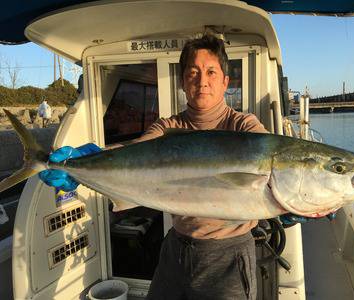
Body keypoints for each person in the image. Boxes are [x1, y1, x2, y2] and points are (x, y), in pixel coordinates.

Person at [39, 35, 334, 299]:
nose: (201, 81)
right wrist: (81, 161)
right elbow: (134, 153)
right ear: (182, 82)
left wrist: (294, 203)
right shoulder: (169, 127)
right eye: (193, 72)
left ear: (223, 82)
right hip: (176, 250)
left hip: (229, 257)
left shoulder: (244, 127)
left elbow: (271, 175)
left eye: (210, 72)